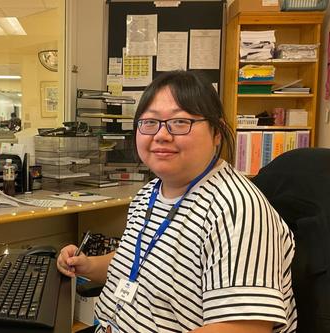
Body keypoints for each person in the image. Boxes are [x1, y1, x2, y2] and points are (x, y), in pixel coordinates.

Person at [57, 71, 296, 333]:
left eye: (180, 122)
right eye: (149, 122)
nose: (161, 135)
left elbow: (243, 328)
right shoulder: (148, 194)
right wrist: (89, 265)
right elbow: (138, 263)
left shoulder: (237, 210)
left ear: (217, 132)